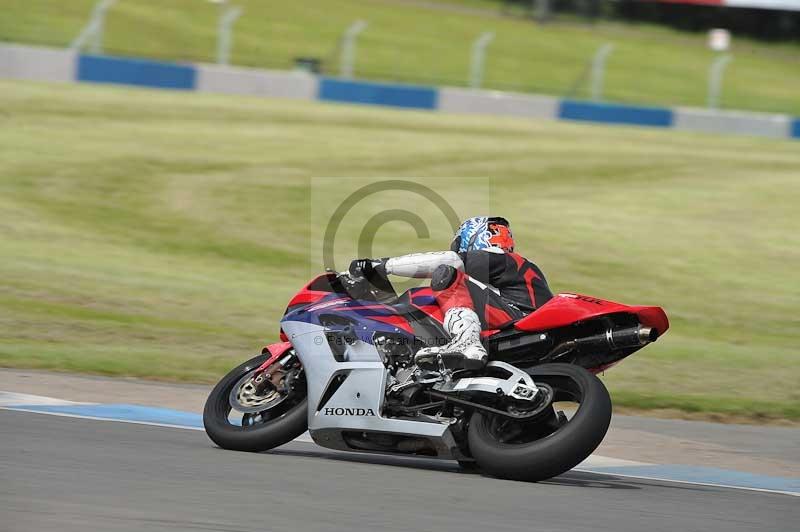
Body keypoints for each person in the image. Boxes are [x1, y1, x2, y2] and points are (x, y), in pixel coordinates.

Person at [349, 216, 553, 371]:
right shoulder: (513, 271)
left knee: (446, 273)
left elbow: (450, 261)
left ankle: (467, 342)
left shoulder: (499, 259)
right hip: (521, 329)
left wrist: (383, 266)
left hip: (516, 322)